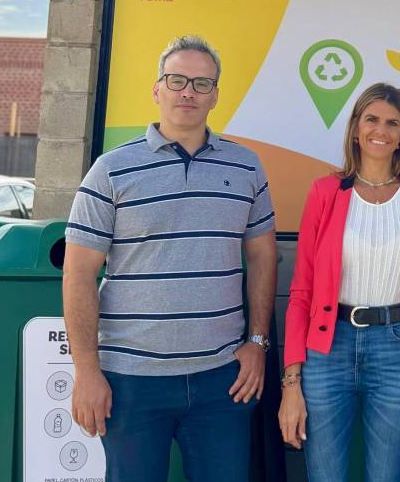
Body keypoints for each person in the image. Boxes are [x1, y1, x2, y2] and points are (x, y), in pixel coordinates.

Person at [62, 35, 277, 482]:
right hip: (130, 381)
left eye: (202, 83)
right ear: (157, 89)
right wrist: (86, 371)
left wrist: (257, 344)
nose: (188, 92)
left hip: (222, 380)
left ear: (215, 95)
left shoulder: (246, 167)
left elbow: (263, 258)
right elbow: (79, 274)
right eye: (177, 80)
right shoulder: (110, 169)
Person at [279, 82, 400, 482]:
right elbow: (301, 291)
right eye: (372, 119)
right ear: (356, 128)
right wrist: (291, 384)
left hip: (399, 349)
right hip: (327, 348)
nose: (381, 130)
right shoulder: (325, 193)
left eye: (393, 123)